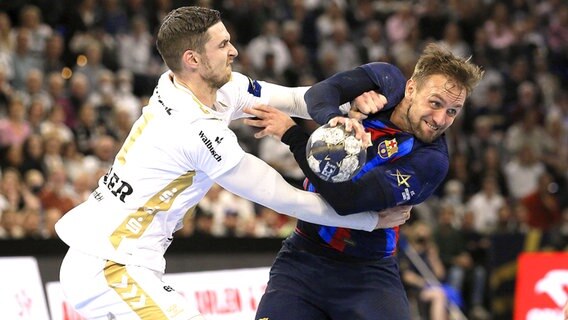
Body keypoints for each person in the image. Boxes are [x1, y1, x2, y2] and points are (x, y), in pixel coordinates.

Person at [54, 6, 411, 320]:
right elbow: (283, 197)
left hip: (121, 261)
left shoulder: (205, 88)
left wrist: (349, 108)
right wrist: (368, 220)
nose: (234, 51)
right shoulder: (192, 128)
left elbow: (298, 99)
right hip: (111, 265)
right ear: (192, 59)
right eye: (223, 45)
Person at [245, 43, 484, 320]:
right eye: (435, 103)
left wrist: (293, 135)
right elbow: (319, 94)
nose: (440, 119)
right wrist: (338, 121)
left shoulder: (431, 161)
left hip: (368, 275)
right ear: (411, 89)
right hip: (302, 260)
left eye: (453, 112)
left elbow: (346, 200)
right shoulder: (387, 81)